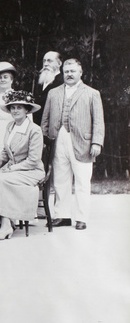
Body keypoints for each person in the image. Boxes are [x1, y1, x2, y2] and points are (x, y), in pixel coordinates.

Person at [41, 58, 105, 230]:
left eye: (72, 71)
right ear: (62, 73)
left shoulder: (92, 93)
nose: (69, 74)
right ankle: (62, 215)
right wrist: (44, 139)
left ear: (80, 73)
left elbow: (98, 121)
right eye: (66, 72)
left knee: (83, 181)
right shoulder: (53, 93)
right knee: (61, 179)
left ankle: (81, 218)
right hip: (58, 139)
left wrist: (97, 142)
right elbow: (45, 119)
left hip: (82, 141)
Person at [0, 91, 45, 240]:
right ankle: (2, 220)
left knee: (2, 181)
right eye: (12, 108)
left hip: (31, 170)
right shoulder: (10, 126)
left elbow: (34, 159)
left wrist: (12, 169)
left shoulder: (34, 130)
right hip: (12, 169)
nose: (15, 111)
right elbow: (5, 152)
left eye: (19, 107)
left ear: (27, 110)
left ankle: (6, 225)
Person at [33, 51, 63, 124]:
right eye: (44, 61)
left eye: (49, 61)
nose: (46, 64)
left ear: (59, 64)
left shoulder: (62, 82)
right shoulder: (40, 80)